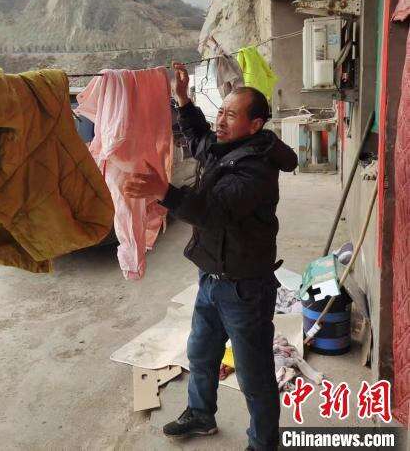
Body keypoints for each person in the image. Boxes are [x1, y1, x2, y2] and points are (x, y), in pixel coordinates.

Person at [123, 62, 298, 451]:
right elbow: (201, 139)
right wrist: (183, 100)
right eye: (221, 110)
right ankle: (201, 414)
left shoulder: (257, 169)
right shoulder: (228, 149)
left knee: (254, 375)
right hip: (211, 278)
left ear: (255, 125)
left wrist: (164, 192)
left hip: (244, 288)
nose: (220, 120)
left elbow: (213, 211)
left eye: (231, 115)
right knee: (201, 354)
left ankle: (264, 443)